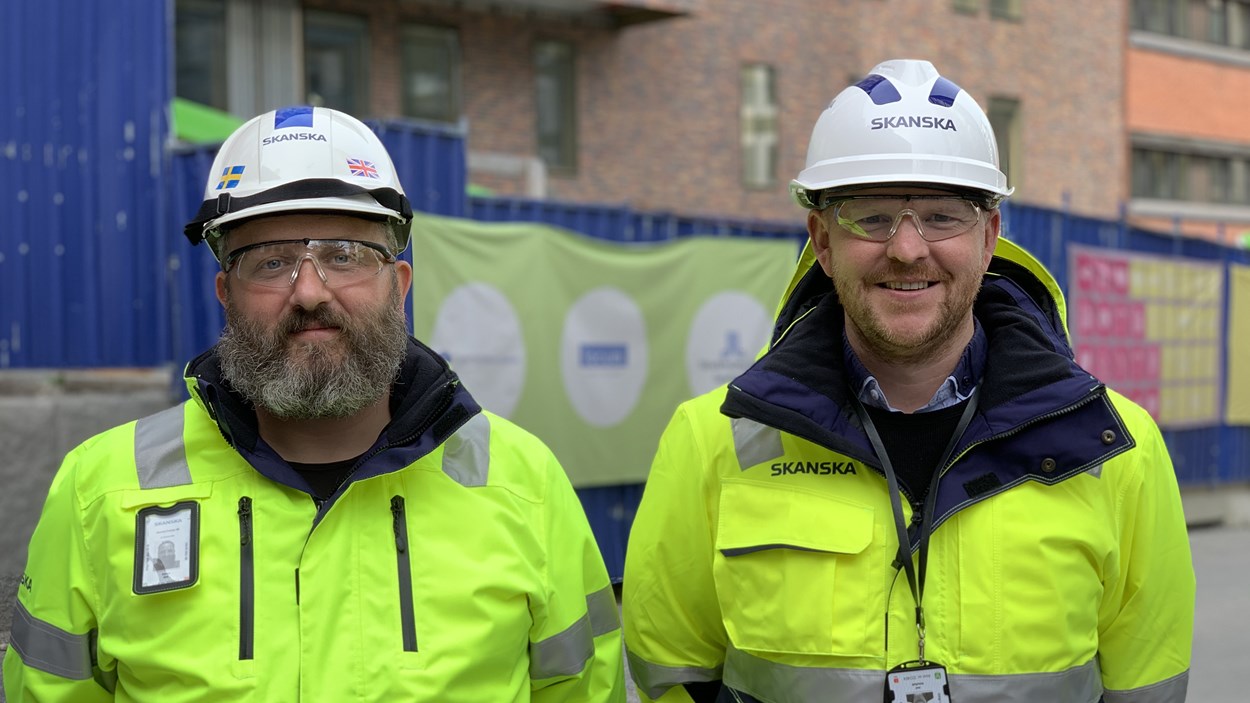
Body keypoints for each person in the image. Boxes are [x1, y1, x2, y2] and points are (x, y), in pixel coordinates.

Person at [4, 106, 625, 701]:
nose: (307, 292)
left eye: (344, 255)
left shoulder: (525, 486)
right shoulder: (100, 492)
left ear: (399, 286)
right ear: (226, 293)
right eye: (270, 262)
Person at [622, 59, 1194, 703]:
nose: (907, 248)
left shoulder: (1117, 448)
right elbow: (670, 679)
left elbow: (1148, 689)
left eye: (944, 215)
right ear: (823, 240)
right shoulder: (712, 443)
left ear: (988, 237)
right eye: (869, 216)